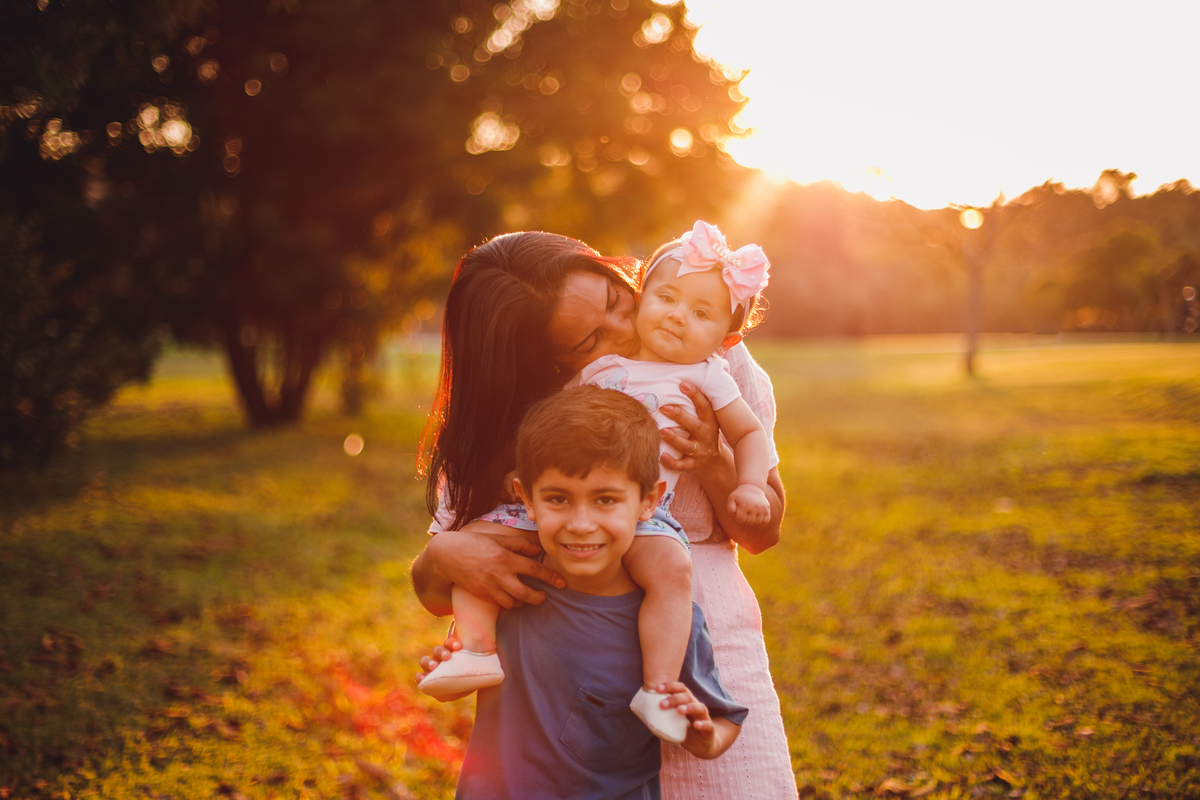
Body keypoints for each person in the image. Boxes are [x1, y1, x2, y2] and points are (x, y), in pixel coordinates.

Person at [413, 231, 798, 799]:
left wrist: (713, 460)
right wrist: (445, 553)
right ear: (546, 362)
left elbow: (764, 530)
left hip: (699, 628)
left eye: (619, 300)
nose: (627, 328)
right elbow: (436, 587)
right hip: (562, 665)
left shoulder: (707, 345)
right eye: (591, 338)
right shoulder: (540, 405)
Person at [455, 385, 747, 800]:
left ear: (648, 502)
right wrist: (452, 660)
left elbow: (725, 719)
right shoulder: (511, 589)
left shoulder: (669, 622)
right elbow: (465, 670)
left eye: (606, 500)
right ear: (527, 500)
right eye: (558, 499)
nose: (581, 524)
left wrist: (705, 738)